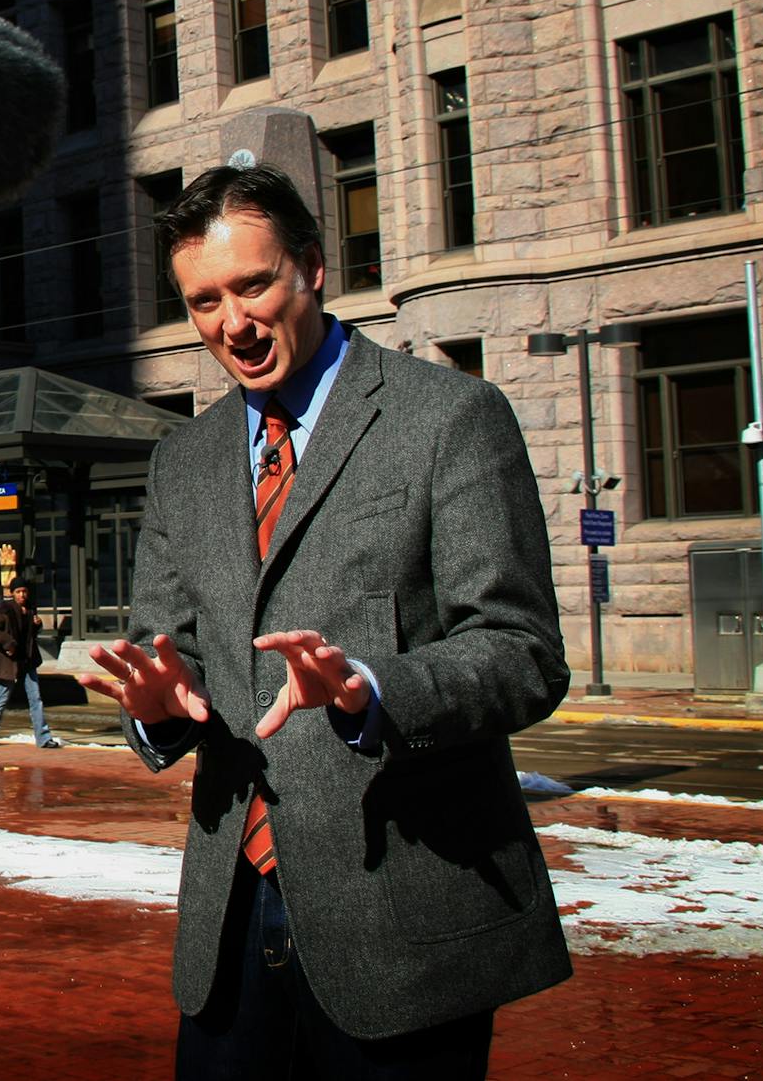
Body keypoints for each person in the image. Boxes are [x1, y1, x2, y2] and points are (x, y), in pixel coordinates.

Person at [81, 163, 570, 1078]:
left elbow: (523, 653)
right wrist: (157, 706)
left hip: (406, 920)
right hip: (229, 926)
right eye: (204, 301)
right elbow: (170, 652)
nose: (232, 323)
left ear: (310, 267)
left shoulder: (451, 417)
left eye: (253, 285)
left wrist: (374, 689)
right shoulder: (182, 461)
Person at [0, 578, 60, 748]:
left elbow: (29, 635)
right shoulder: (5, 610)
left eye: (24, 591)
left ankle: (43, 738)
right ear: (12, 593)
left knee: (36, 698)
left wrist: (37, 625)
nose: (22, 595)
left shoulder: (30, 609)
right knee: (2, 696)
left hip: (28, 660)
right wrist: (8, 643)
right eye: (18, 592)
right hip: (10, 661)